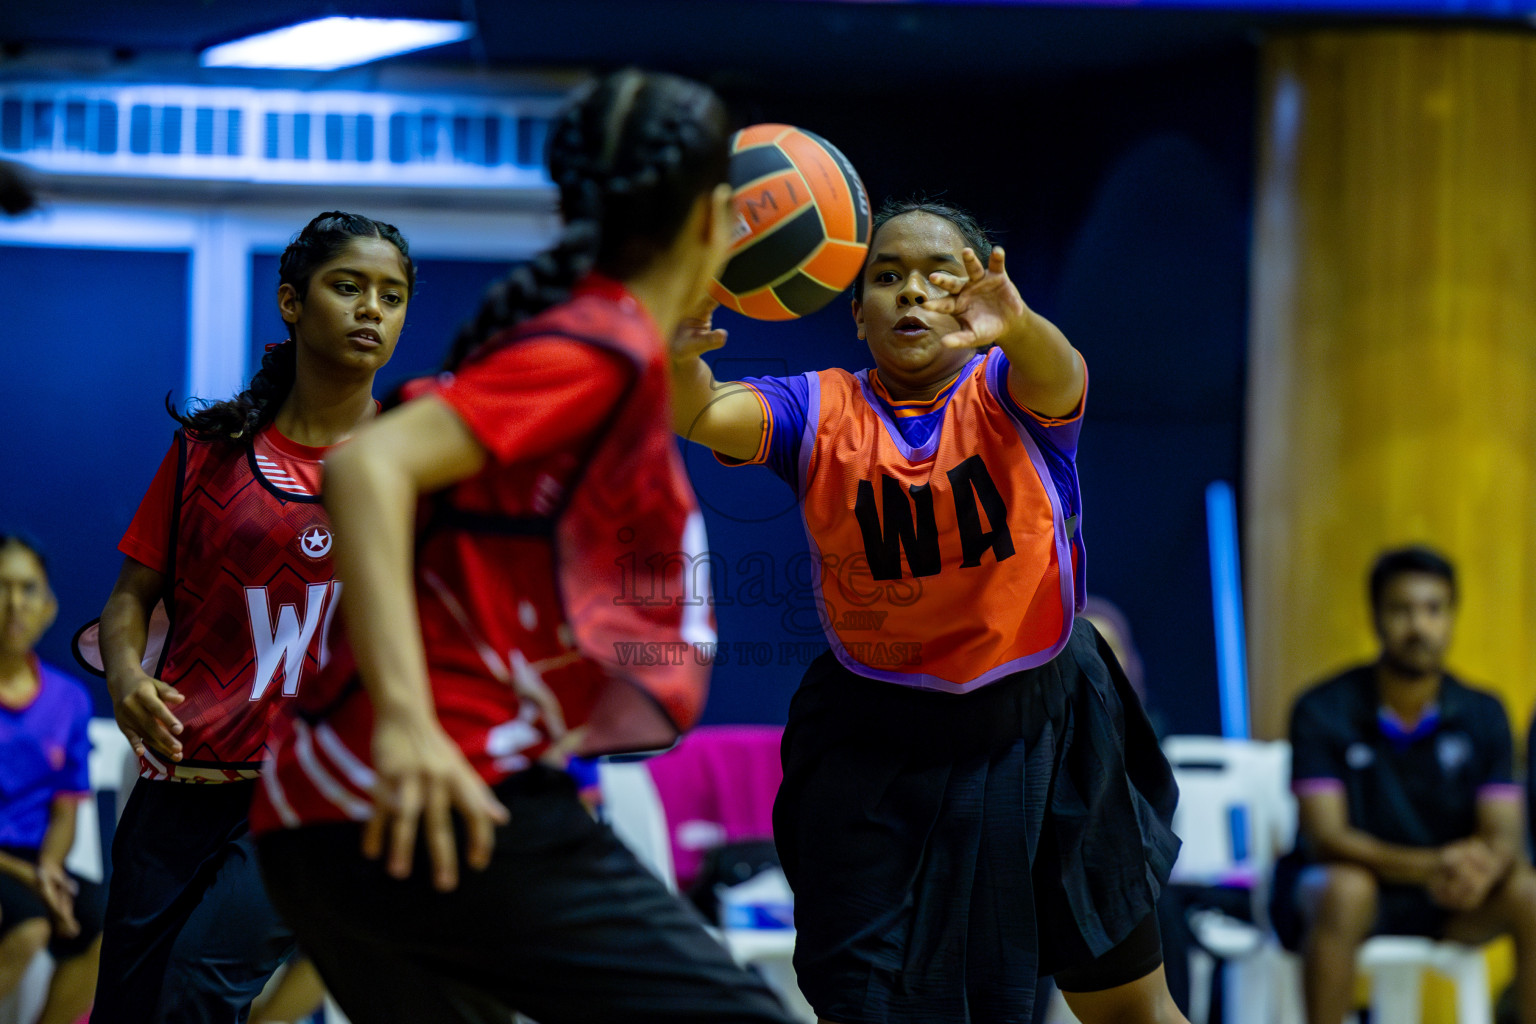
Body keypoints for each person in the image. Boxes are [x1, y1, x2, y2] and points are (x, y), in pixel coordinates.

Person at [249, 69, 797, 1024]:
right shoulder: (596, 347)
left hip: (338, 810)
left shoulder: (607, 347)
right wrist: (411, 726)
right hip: (431, 786)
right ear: (715, 219)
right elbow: (365, 470)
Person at [670, 197, 1186, 1024]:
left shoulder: (1016, 389)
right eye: (886, 276)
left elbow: (1062, 370)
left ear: (980, 294)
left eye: (938, 273)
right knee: (867, 1007)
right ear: (857, 313)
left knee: (1127, 1004)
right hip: (878, 742)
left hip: (1043, 721)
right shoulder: (817, 408)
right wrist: (679, 345)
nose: (911, 292)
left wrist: (1017, 324)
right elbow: (701, 413)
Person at [92, 211, 414, 1024]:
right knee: (131, 1009)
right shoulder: (208, 451)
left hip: (317, 799)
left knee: (198, 992)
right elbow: (132, 598)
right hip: (178, 791)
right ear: (291, 303)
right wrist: (128, 675)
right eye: (349, 287)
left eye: (392, 295)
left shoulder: (418, 460)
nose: (372, 309)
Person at [1272, 545, 1536, 1024]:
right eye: (1402, 609)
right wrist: (1433, 864)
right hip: (1345, 892)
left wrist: (1482, 869)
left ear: (1452, 617)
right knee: (1345, 890)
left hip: (1448, 898)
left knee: (1529, 891)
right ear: (1375, 617)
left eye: (1434, 609)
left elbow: (1504, 833)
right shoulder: (1321, 708)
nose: (1419, 627)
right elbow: (1326, 838)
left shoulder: (1483, 712)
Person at [0, 533, 104, 1024]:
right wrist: (34, 879)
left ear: (49, 606)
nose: (14, 603)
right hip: (10, 868)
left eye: (27, 589)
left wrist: (50, 869)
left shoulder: (70, 700)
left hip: (33, 860)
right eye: (1, 587)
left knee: (109, 922)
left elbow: (67, 803)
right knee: (30, 928)